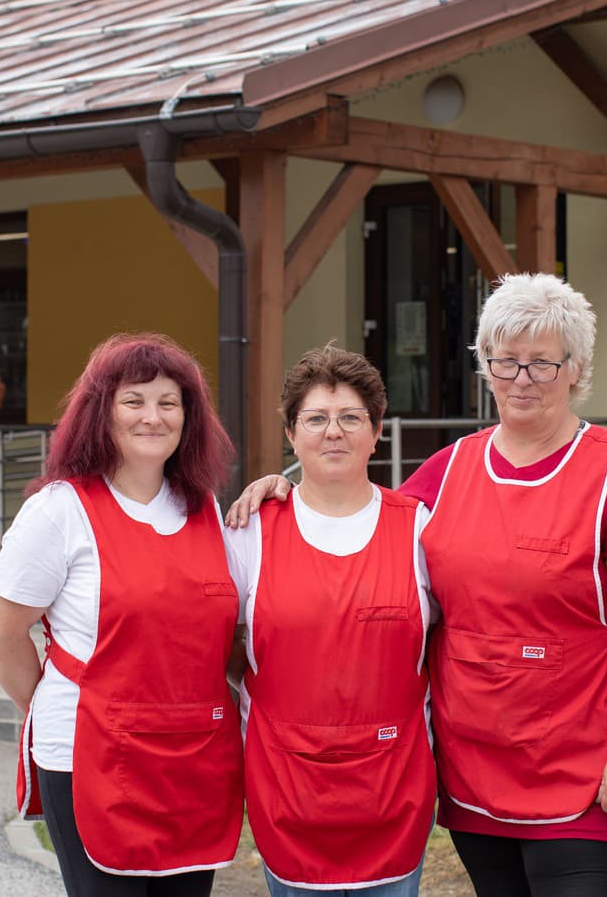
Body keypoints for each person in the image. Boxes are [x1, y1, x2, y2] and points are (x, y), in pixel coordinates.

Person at [229, 274, 607, 896]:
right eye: (505, 362)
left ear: (575, 369)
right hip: (474, 774)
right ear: (486, 370)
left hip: (585, 772)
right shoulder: (448, 471)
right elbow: (355, 519)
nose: (522, 379)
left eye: (542, 364)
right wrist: (280, 488)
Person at [0, 333, 243, 897]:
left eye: (169, 403)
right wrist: (58, 701)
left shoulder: (204, 509)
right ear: (102, 413)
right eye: (134, 401)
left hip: (191, 754)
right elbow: (0, 632)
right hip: (89, 754)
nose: (153, 417)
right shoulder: (59, 510)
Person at [224, 345, 436, 897]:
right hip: (288, 796)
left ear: (376, 430)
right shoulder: (249, 533)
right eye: (315, 418)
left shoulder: (420, 530)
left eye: (350, 417)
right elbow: (214, 648)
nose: (333, 432)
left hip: (393, 795)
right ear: (291, 434)